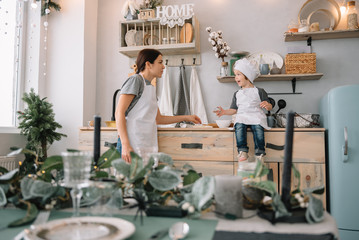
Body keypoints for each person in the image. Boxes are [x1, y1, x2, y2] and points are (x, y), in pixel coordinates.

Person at [115, 49, 201, 163]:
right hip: (131, 145)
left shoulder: (151, 87)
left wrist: (186, 117)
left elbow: (159, 119)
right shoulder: (135, 81)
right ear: (148, 64)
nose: (163, 67)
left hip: (145, 144)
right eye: (160, 62)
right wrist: (125, 146)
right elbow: (119, 113)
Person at [214, 58, 272, 162]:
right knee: (239, 126)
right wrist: (224, 112)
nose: (235, 78)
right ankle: (242, 151)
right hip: (242, 116)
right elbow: (234, 110)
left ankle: (260, 154)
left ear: (247, 75)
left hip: (256, 116)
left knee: (258, 129)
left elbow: (269, 106)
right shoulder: (237, 93)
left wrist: (267, 105)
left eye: (238, 74)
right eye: (235, 75)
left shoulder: (260, 91)